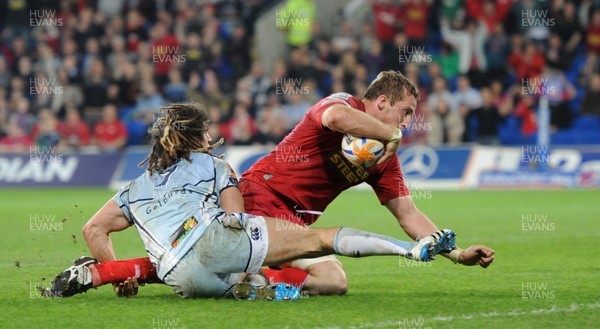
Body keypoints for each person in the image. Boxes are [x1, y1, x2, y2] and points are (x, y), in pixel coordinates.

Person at [54, 71, 495, 297]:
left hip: (290, 216)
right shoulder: (343, 104)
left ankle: (128, 269)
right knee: (329, 274)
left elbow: (408, 213)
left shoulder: (384, 159)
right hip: (260, 194)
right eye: (404, 113)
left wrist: (455, 253)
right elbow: (335, 119)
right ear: (381, 102)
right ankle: (244, 280)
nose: (407, 123)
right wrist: (391, 134)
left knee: (332, 281)